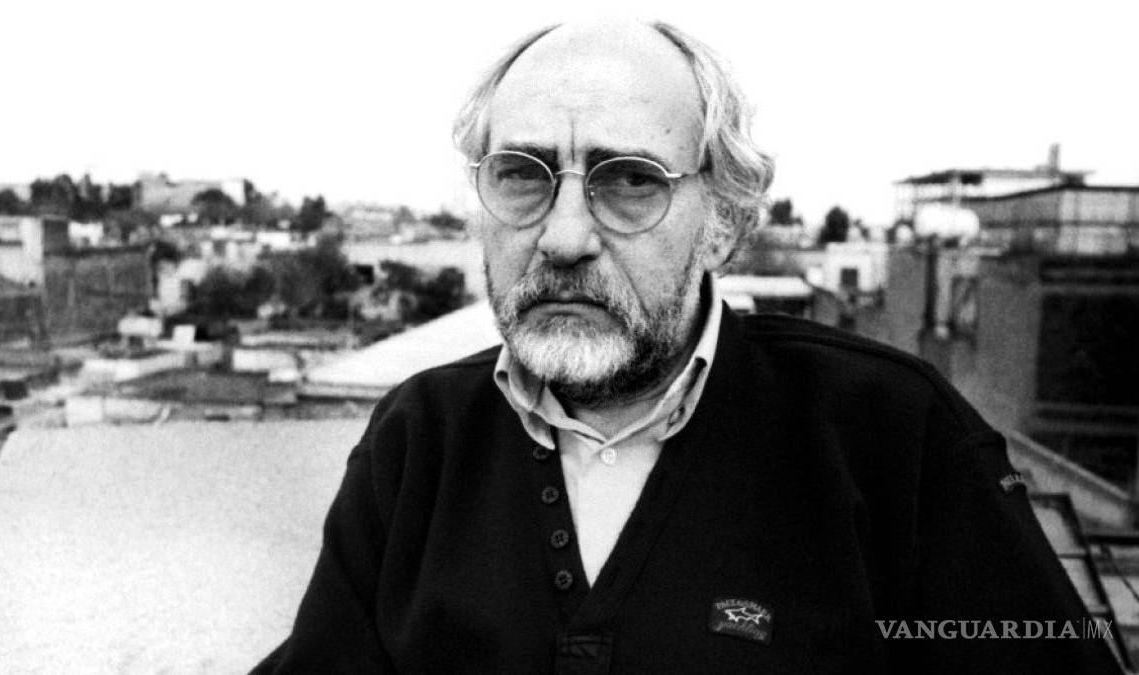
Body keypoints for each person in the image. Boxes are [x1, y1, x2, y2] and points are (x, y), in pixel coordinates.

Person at [253, 19, 1121, 674]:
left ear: (725, 223)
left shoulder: (891, 434)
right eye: (521, 174)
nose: (564, 237)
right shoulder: (420, 440)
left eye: (630, 181)